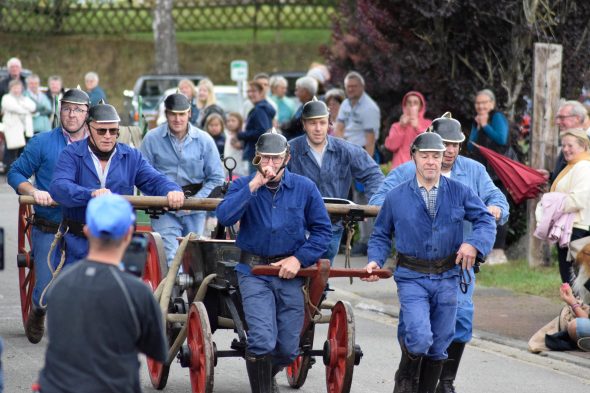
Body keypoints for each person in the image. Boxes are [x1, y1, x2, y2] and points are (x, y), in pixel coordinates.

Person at [369, 114, 509, 393]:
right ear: (418, 154)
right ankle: (408, 375)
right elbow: (379, 206)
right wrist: (404, 211)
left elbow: (496, 203)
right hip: (414, 268)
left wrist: (490, 218)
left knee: (456, 323)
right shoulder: (405, 176)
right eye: (437, 148)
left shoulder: (471, 175)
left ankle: (443, 381)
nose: (445, 152)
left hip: (456, 264)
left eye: (452, 146)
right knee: (416, 329)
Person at [216, 129, 331, 393]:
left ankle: (266, 377)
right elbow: (224, 217)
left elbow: (323, 231)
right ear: (256, 158)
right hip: (253, 271)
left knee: (289, 349)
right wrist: (253, 186)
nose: (270, 165)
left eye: (275, 159)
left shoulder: (305, 188)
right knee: (262, 341)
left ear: (286, 158)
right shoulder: (242, 184)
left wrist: (298, 259)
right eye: (265, 158)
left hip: (288, 272)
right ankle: (263, 387)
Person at [37, 194, 167, 393]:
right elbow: (157, 350)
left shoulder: (61, 283)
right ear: (128, 234)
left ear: (87, 231)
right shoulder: (136, 291)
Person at [49, 101, 184, 268]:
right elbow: (58, 187)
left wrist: (173, 190)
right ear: (88, 128)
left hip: (120, 247)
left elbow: (154, 180)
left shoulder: (132, 156)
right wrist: (90, 194)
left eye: (113, 131)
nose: (108, 135)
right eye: (102, 130)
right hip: (77, 245)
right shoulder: (71, 154)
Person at [8, 88, 91, 343]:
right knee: (44, 291)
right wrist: (34, 191)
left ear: (87, 113)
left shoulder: (98, 142)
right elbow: (15, 173)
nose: (71, 114)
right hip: (49, 225)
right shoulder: (42, 142)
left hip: (85, 228)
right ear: (59, 110)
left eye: (78, 109)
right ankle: (39, 310)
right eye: (67, 108)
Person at [288, 98, 384, 265]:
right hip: (297, 227)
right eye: (312, 123)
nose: (318, 128)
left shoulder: (345, 150)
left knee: (322, 277)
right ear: (304, 124)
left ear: (329, 124)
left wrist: (374, 202)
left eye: (322, 123)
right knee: (297, 276)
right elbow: (273, 177)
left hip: (331, 226)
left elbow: (373, 174)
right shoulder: (290, 150)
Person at [140, 93, 224, 262]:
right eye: (173, 114)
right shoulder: (152, 139)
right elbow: (142, 175)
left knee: (195, 261)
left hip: (196, 209)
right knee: (170, 258)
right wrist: (160, 199)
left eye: (182, 114)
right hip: (163, 208)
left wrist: (194, 202)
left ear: (189, 114)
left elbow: (216, 178)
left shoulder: (204, 140)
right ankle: (171, 288)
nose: (177, 119)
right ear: (166, 114)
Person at [335, 71, 381, 256]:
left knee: (366, 200)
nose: (351, 90)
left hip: (363, 155)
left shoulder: (369, 107)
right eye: (348, 87)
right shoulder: (346, 104)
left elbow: (370, 140)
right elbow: (338, 128)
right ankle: (355, 239)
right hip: (346, 154)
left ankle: (368, 241)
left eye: (354, 86)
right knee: (350, 198)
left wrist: (365, 166)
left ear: (362, 87)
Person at [466, 89, 511, 264]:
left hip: (497, 173)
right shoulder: (477, 120)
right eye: (478, 103)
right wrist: (478, 127)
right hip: (482, 171)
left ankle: (498, 250)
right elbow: (470, 146)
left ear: (492, 104)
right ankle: (482, 246)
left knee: (498, 208)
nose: (481, 106)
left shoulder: (497, 117)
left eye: (484, 102)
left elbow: (502, 139)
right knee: (480, 207)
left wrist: (486, 126)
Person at [547, 128, 590, 288]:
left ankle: (578, 310)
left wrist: (550, 204)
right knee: (573, 278)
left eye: (570, 145)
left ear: (584, 146)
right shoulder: (573, 165)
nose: (565, 149)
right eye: (563, 145)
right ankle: (576, 310)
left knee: (582, 279)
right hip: (570, 227)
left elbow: (578, 199)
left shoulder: (583, 167)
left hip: (579, 228)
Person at [384, 91, 432, 169]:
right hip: (400, 170)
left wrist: (418, 127)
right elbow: (391, 147)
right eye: (409, 103)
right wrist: (401, 127)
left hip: (421, 170)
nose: (412, 105)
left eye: (415, 103)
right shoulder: (396, 126)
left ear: (420, 106)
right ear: (405, 106)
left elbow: (430, 145)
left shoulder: (428, 124)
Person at [238, 80, 276, 174]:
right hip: (263, 152)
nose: (251, 94)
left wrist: (241, 135)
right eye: (248, 91)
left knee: (256, 183)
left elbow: (262, 131)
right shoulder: (263, 107)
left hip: (257, 153)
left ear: (261, 93)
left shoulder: (259, 110)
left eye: (254, 91)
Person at [1, 79, 36, 169]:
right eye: (14, 88)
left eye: (18, 88)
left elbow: (33, 107)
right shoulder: (6, 98)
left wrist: (23, 106)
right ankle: (9, 171)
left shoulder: (24, 98)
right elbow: (13, 107)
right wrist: (25, 110)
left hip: (25, 129)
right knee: (11, 150)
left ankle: (21, 171)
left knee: (23, 151)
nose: (16, 90)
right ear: (10, 88)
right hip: (12, 128)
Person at [281, 76, 318, 141]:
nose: (295, 93)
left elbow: (294, 125)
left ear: (305, 92)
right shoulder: (303, 106)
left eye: (297, 90)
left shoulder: (312, 108)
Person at [225, 111, 248, 177]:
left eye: (233, 121)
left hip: (240, 170)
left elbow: (240, 146)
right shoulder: (227, 135)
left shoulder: (242, 136)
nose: (230, 123)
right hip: (229, 169)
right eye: (228, 121)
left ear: (239, 122)